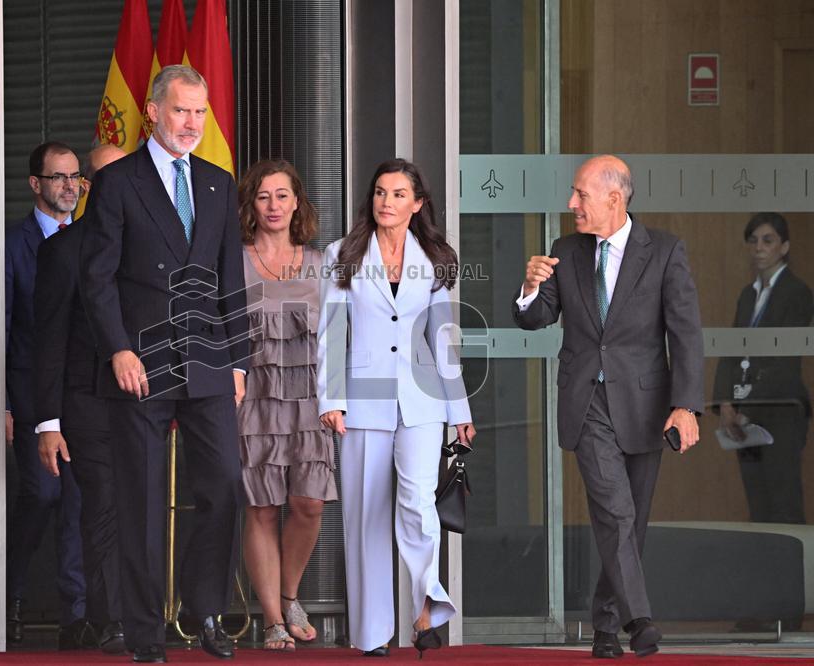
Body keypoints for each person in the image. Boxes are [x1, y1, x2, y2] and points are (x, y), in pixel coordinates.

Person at [80, 64, 249, 664]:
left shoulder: (218, 182)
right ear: (153, 111)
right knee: (144, 501)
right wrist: (117, 348)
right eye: (181, 110)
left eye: (201, 112)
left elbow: (230, 279)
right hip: (140, 362)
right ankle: (146, 632)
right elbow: (96, 277)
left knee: (225, 485)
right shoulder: (117, 182)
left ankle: (206, 612)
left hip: (208, 359)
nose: (192, 123)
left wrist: (239, 361)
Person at [513, 155, 703, 658]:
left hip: (645, 405)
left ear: (614, 199)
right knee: (615, 511)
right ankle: (640, 621)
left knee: (630, 522)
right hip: (587, 402)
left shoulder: (664, 251)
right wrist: (530, 288)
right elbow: (536, 318)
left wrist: (686, 406)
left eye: (581, 194)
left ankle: (604, 625)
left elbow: (685, 333)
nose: (571, 203)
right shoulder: (565, 251)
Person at [317, 158, 475, 658]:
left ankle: (426, 606)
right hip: (361, 400)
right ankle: (373, 634)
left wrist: (460, 409)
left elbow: (443, 338)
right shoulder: (342, 253)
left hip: (422, 399)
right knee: (365, 514)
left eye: (399, 194)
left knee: (417, 502)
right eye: (380, 192)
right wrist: (331, 399)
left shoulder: (435, 258)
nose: (387, 202)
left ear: (418, 203)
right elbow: (331, 332)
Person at [236, 159, 337, 651]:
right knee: (261, 506)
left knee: (309, 503)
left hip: (310, 396)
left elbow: (340, 334)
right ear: (251, 206)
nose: (273, 205)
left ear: (297, 202)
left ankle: (290, 595)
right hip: (253, 396)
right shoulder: (233, 260)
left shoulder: (322, 262)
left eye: (282, 195)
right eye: (263, 196)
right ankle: (273, 620)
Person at [33, 142, 127, 654]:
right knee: (104, 506)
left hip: (147, 400)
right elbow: (47, 340)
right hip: (87, 401)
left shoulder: (155, 242)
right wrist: (48, 422)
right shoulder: (63, 249)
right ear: (90, 186)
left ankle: (138, 612)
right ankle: (113, 619)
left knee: (144, 506)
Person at [5, 141, 90, 648]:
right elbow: (1, 327)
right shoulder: (12, 244)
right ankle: (8, 594)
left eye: (75, 177)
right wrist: (3, 403)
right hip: (29, 392)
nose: (69, 186)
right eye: (59, 177)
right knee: (43, 493)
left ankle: (75, 615)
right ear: (36, 184)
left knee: (78, 501)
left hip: (81, 394)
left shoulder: (93, 237)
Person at [713, 212, 812, 524]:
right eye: (753, 240)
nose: (758, 248)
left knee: (783, 504)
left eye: (768, 240)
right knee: (758, 506)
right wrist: (726, 403)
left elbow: (784, 363)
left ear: (784, 247)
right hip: (745, 416)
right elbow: (732, 350)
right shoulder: (748, 294)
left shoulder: (797, 293)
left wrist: (747, 410)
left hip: (780, 412)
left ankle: (792, 560)